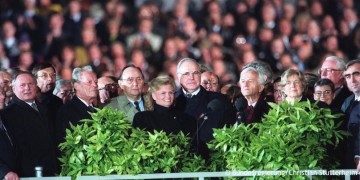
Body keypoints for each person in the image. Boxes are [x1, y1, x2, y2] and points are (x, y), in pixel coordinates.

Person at [174, 58, 236, 159]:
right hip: (179, 163)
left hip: (213, 161)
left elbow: (230, 132)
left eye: (195, 72)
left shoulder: (220, 101)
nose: (192, 77)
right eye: (186, 73)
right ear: (178, 76)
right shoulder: (171, 102)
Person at [1, 71, 57, 177]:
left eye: (30, 84)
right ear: (13, 89)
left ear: (36, 86)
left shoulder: (46, 109)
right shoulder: (7, 115)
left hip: (51, 171)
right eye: (22, 85)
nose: (27, 88)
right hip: (26, 174)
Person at [56, 67, 98, 144]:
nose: (95, 85)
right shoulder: (67, 111)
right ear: (76, 85)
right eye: (89, 82)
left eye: (96, 82)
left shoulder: (98, 109)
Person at [341, 59, 360, 172]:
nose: (352, 80)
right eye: (347, 76)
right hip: (349, 163)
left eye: (356, 74)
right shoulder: (348, 102)